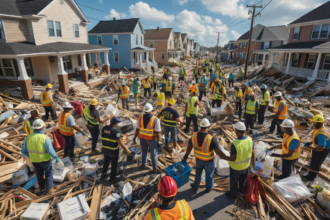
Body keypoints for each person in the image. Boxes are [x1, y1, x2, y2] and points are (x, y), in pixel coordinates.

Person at [183, 118, 228, 193]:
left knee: (198, 173)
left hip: (198, 160)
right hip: (208, 162)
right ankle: (208, 188)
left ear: (200, 126)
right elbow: (219, 152)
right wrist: (228, 158)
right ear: (208, 126)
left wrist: (185, 156)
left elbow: (189, 148)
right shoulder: (211, 139)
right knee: (209, 176)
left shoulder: (194, 136)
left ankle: (195, 186)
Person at [21, 119, 59, 194]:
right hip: (45, 160)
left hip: (34, 161)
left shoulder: (28, 138)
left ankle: (41, 188)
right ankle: (49, 189)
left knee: (39, 174)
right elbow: (50, 151)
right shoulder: (45, 138)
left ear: (34, 128)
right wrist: (56, 157)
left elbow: (24, 151)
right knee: (48, 173)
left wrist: (31, 157)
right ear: (42, 127)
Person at [220, 122, 255, 200]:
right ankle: (242, 192)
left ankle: (233, 195)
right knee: (243, 180)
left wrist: (223, 157)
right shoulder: (250, 139)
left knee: (234, 182)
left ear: (237, 130)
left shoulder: (235, 144)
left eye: (235, 130)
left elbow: (233, 158)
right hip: (246, 166)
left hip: (236, 167)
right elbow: (253, 152)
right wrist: (253, 166)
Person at [100, 117, 132, 184]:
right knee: (114, 165)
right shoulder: (115, 132)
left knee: (106, 162)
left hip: (105, 149)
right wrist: (128, 150)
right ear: (114, 123)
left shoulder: (104, 128)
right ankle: (112, 179)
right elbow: (121, 144)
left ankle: (103, 174)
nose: (117, 125)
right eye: (117, 123)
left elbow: (107, 135)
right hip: (113, 151)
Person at [133, 103, 162, 173]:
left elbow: (137, 129)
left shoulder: (140, 117)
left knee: (144, 152)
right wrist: (159, 142)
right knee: (154, 154)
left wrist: (134, 138)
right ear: (151, 110)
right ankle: (154, 169)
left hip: (142, 139)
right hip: (152, 140)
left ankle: (143, 164)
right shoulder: (155, 119)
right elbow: (158, 132)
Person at [303, 115, 330, 181]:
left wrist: (311, 149)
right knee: (314, 162)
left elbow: (321, 147)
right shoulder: (318, 129)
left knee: (316, 163)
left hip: (322, 150)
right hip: (319, 148)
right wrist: (311, 143)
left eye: (314, 122)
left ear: (319, 122)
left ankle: (312, 177)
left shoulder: (321, 133)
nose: (312, 123)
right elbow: (316, 139)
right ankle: (311, 174)